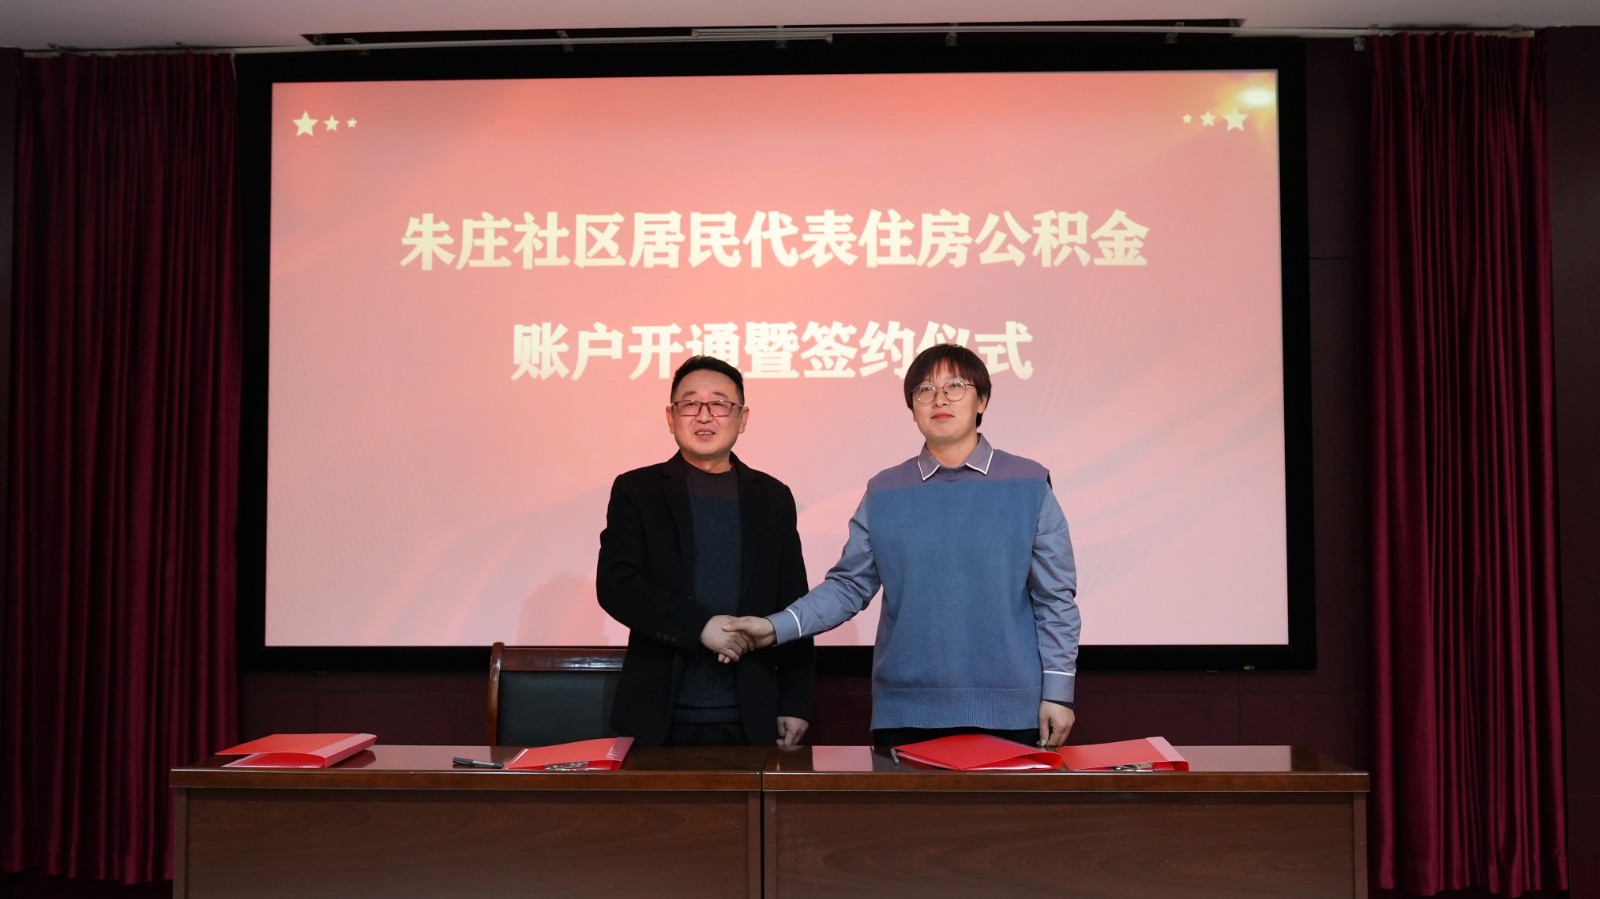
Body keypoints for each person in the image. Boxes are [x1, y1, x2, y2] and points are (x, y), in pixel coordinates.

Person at [723, 343, 1080, 749]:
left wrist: (1058, 693)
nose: (939, 399)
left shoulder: (1028, 483)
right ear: (912, 408)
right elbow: (848, 586)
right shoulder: (885, 490)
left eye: (955, 386)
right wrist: (774, 627)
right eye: (924, 390)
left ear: (982, 400)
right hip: (906, 712)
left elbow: (1055, 599)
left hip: (1012, 712)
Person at [597, 355, 815, 747]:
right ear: (671, 417)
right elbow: (618, 585)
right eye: (690, 404)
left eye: (719, 404)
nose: (704, 416)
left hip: (754, 714)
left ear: (742, 418)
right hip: (659, 715)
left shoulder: (772, 497)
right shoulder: (637, 491)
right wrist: (699, 626)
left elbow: (794, 601)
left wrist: (795, 699)